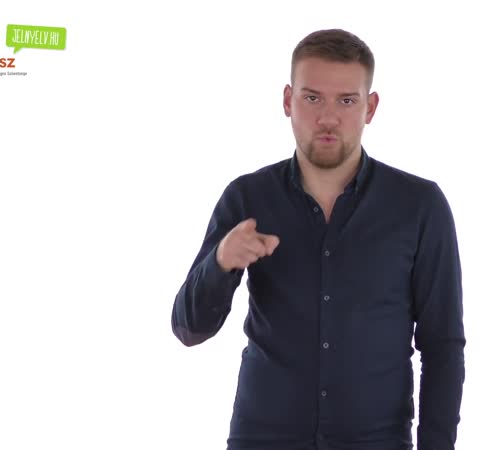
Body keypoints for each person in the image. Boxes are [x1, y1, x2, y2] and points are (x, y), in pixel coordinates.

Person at [171, 28, 465, 450]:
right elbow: (189, 328)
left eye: (346, 101)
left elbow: (442, 345)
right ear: (288, 101)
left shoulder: (420, 206)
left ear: (370, 107)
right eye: (312, 98)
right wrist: (220, 262)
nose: (328, 118)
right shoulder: (247, 198)